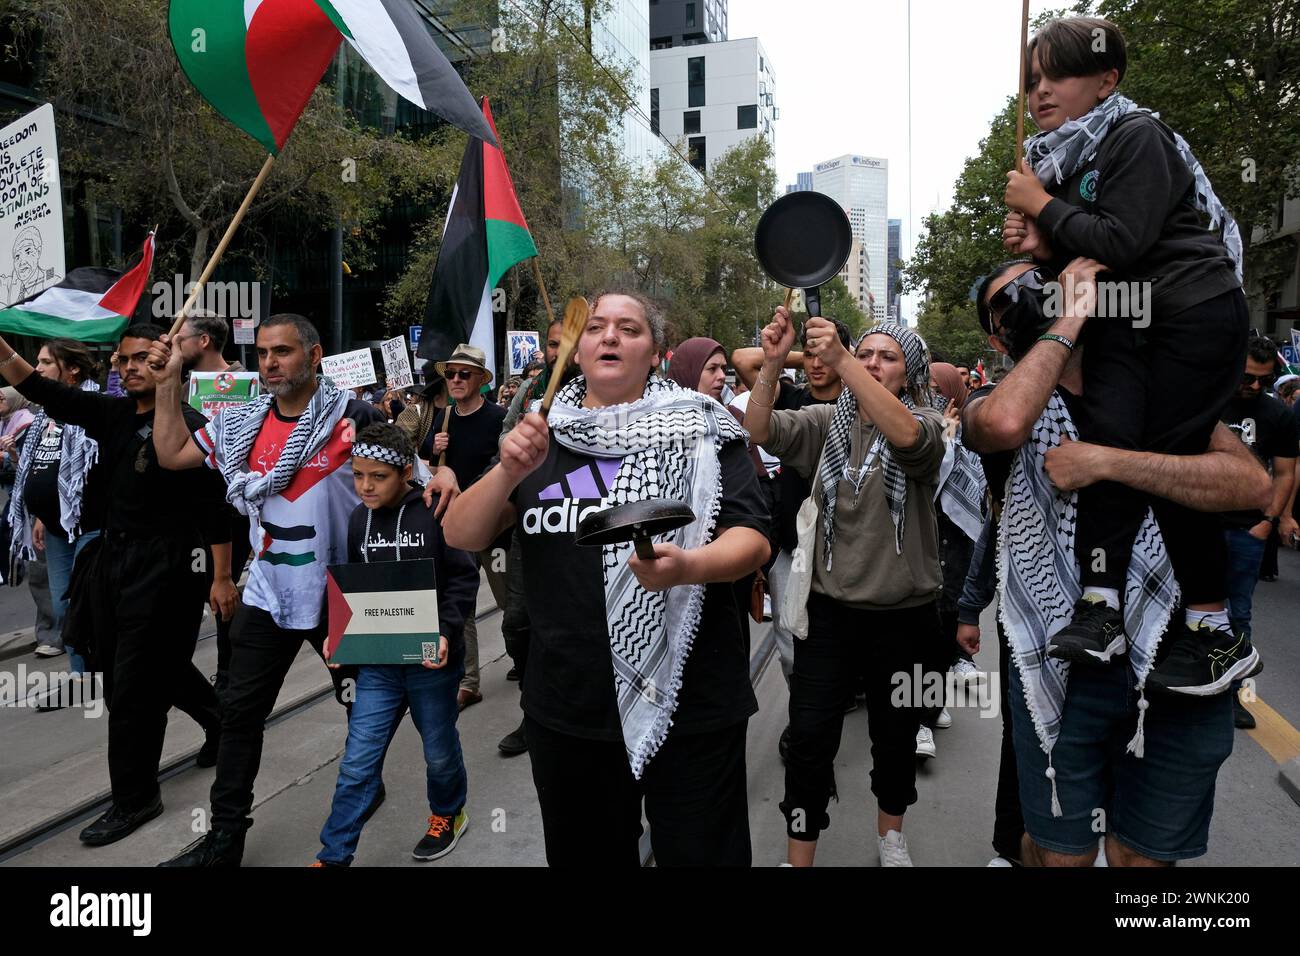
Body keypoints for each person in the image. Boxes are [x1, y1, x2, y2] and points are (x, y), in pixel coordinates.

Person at [443, 289, 769, 866]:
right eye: (595, 328)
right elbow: (462, 534)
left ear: (657, 352)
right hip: (569, 711)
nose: (609, 337)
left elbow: (753, 539)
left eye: (629, 328)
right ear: (579, 348)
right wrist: (506, 471)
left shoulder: (706, 430)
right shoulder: (540, 433)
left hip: (691, 703)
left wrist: (690, 566)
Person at [965, 258, 1270, 867]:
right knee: (1061, 856)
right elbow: (1004, 422)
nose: (1032, 298)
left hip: (1176, 667)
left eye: (1040, 283)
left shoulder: (1158, 394)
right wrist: (1070, 317)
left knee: (1142, 861)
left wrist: (1108, 462)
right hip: (1065, 663)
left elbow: (1250, 487)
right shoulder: (992, 404)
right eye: (1010, 301)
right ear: (997, 338)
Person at [1003, 15, 1251, 693]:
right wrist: (1042, 241)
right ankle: (1101, 604)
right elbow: (1091, 256)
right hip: (1127, 325)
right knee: (1112, 442)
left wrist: (1040, 204)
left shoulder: (1136, 135)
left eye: (1060, 75)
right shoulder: (1066, 160)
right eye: (1032, 81)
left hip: (1192, 317)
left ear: (1107, 80)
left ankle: (1215, 628)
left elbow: (1122, 241)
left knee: (1162, 460)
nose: (1041, 92)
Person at [147, 313, 386, 867]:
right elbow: (170, 455)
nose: (271, 363)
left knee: (363, 708)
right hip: (269, 595)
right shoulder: (240, 424)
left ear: (315, 354)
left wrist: (439, 474)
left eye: (282, 352)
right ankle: (225, 839)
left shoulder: (355, 417)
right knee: (238, 714)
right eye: (262, 354)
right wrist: (166, 386)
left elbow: (410, 478)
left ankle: (364, 787)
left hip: (344, 595)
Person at [0, 323, 225, 847]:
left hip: (169, 568)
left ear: (167, 363)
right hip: (112, 560)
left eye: (141, 359)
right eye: (122, 360)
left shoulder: (190, 426)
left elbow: (213, 507)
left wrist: (220, 577)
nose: (128, 368)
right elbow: (40, 388)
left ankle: (135, 796)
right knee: (144, 666)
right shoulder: (112, 413)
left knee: (132, 691)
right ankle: (220, 719)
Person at [746, 308, 946, 867]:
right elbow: (758, 428)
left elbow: (905, 436)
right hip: (829, 615)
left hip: (906, 616)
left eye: (888, 357)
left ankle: (891, 836)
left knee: (895, 734)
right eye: (866, 354)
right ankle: (798, 856)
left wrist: (840, 359)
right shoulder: (824, 422)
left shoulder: (927, 423)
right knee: (809, 739)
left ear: (909, 372)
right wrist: (769, 363)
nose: (874, 364)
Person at [313, 423, 479, 866]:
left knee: (438, 750)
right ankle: (334, 855)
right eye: (357, 475)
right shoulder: (356, 519)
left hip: (431, 662)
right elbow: (352, 583)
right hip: (378, 664)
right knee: (357, 761)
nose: (365, 486)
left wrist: (445, 631)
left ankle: (448, 812)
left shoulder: (436, 512)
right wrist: (338, 629)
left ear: (406, 471)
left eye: (378, 476)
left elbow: (463, 578)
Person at [731, 317, 851, 760]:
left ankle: (826, 706)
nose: (816, 364)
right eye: (810, 356)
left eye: (826, 355)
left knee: (836, 641)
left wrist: (841, 355)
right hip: (789, 545)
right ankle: (805, 721)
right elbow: (743, 359)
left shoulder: (862, 401)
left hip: (843, 548)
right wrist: (801, 352)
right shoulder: (790, 398)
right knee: (788, 645)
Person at [5, 342, 106, 670]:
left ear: (72, 369)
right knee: (63, 604)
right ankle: (82, 672)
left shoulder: (94, 406)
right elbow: (43, 467)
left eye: (46, 361)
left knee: (88, 600)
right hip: (53, 526)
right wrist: (39, 515)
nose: (39, 367)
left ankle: (108, 665)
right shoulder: (43, 414)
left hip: (91, 523)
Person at [416, 344, 507, 711]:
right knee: (461, 603)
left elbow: (506, 467)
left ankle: (525, 653)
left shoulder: (499, 418)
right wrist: (431, 447)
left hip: (496, 524)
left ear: (480, 381)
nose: (454, 380)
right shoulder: (443, 418)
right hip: (456, 524)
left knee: (512, 605)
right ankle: (469, 682)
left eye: (463, 374)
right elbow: (425, 466)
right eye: (450, 374)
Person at [1218, 334, 1298, 727]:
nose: (1253, 386)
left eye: (1263, 381)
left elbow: (1285, 473)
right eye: (1248, 377)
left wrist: (1269, 521)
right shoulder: (1206, 398)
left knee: (1239, 613)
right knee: (1182, 605)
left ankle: (1232, 695)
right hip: (1194, 523)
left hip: (1246, 529)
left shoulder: (1277, 415)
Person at [173, 310, 249, 700]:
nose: (173, 344)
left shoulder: (249, 386)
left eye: (179, 337)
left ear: (203, 341)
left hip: (231, 513)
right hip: (188, 514)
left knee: (223, 595)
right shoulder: (177, 389)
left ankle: (227, 677)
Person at [916, 362, 987, 759]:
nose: (936, 395)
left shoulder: (975, 431)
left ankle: (930, 704)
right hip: (923, 543)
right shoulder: (920, 423)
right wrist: (942, 433)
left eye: (940, 387)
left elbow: (979, 488)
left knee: (945, 631)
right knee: (918, 634)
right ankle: (918, 721)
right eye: (927, 387)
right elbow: (927, 470)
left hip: (958, 550)